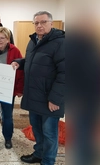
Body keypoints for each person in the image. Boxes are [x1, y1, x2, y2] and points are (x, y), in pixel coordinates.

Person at [11, 11, 65, 165]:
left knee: (49, 133)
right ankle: (39, 154)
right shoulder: (33, 41)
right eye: (36, 23)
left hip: (50, 99)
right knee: (37, 129)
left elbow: (65, 73)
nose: (39, 26)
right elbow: (31, 60)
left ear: (51, 24)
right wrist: (18, 62)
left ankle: (48, 161)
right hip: (34, 95)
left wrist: (55, 98)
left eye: (43, 22)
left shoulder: (61, 43)